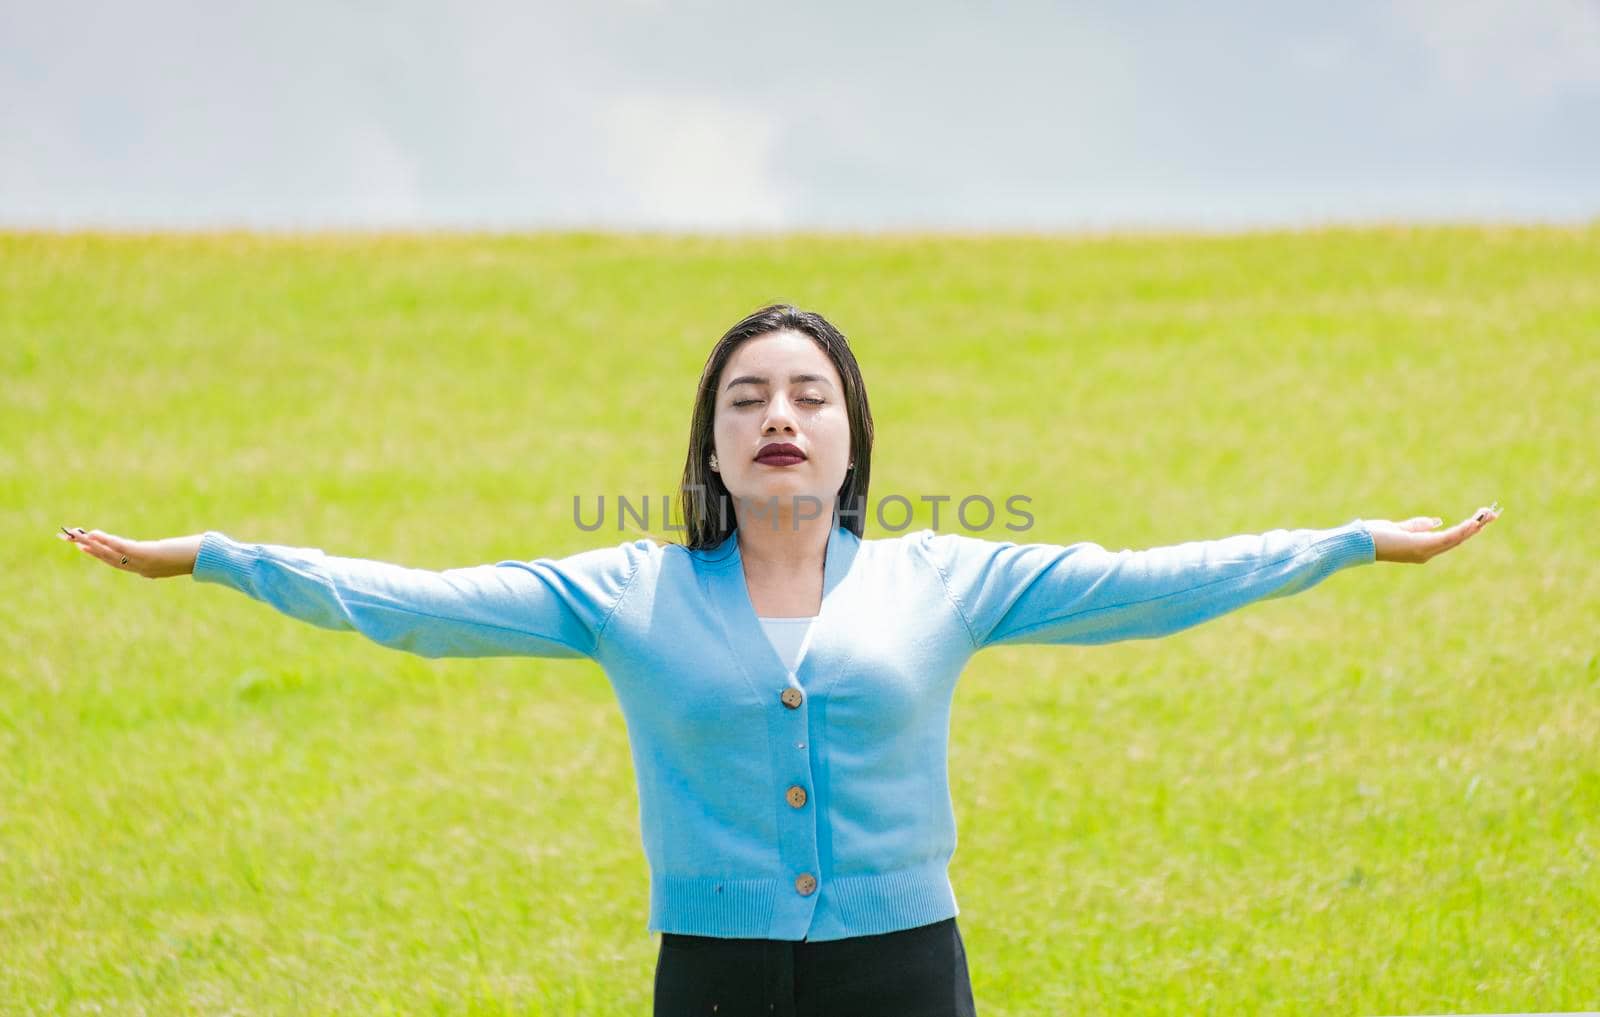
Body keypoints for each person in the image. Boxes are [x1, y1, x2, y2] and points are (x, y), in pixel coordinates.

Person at [62, 303, 1500, 1017]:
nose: (780, 416)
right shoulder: (624, 587)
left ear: (853, 431)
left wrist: (1348, 539)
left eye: (810, 393)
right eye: (746, 397)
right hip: (713, 970)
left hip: (906, 965)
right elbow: (422, 604)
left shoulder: (951, 573)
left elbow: (1148, 585)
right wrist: (223, 554)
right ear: (709, 443)